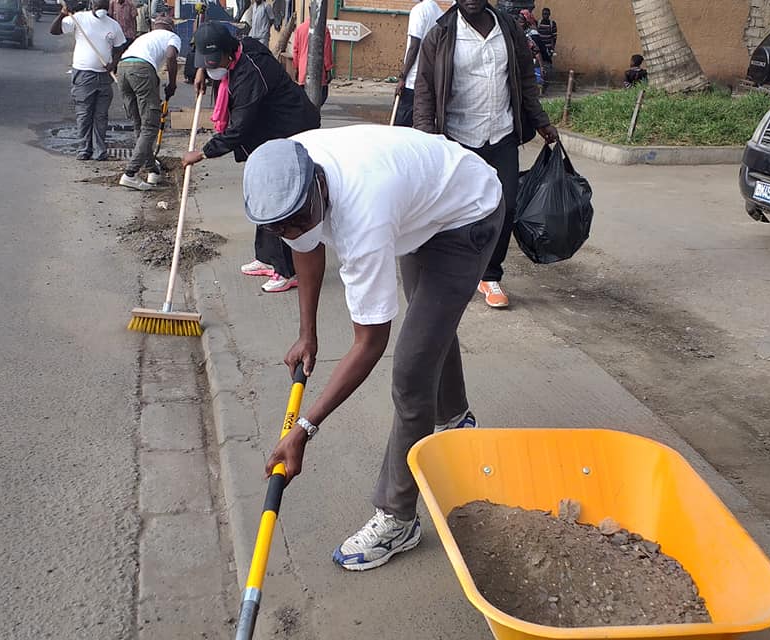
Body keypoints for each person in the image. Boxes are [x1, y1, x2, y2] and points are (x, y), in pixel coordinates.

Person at [245, 126, 503, 571]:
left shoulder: (364, 214)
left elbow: (370, 343)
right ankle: (457, 418)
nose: (294, 230)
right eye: (280, 227)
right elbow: (304, 246)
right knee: (430, 328)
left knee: (409, 372)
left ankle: (398, 518)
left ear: (319, 185)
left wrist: (304, 428)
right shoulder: (286, 179)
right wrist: (308, 333)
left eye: (300, 219)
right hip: (424, 205)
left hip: (469, 213)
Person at [413, 0, 557, 308]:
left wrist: (541, 121)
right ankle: (452, 269)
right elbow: (425, 87)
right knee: (458, 211)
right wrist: (427, 138)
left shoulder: (508, 28)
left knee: (506, 205)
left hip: (501, 133)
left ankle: (490, 275)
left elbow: (525, 80)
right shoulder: (440, 33)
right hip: (458, 138)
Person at [180, 22, 320, 293]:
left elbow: (238, 129)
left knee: (279, 196)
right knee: (259, 191)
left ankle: (287, 271)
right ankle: (267, 258)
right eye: (206, 63)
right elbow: (209, 60)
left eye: (214, 64)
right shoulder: (241, 50)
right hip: (266, 131)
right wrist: (202, 71)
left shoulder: (249, 76)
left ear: (230, 54)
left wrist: (202, 152)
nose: (211, 69)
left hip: (290, 129)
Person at [51, 1, 128, 161]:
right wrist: (62, 14)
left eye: (103, 6)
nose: (101, 9)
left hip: (104, 77)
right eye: (99, 5)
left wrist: (113, 64)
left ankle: (100, 151)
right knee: (84, 114)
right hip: (83, 75)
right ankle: (84, 149)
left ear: (108, 8)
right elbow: (54, 30)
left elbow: (120, 47)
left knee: (101, 116)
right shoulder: (79, 18)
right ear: (92, 5)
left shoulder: (113, 25)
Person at [117, 14, 181, 191]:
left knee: (139, 124)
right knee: (151, 125)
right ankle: (130, 173)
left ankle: (153, 170)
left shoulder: (144, 37)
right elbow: (170, 55)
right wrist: (173, 83)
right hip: (142, 69)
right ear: (170, 28)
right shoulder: (172, 37)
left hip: (123, 68)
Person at [393, 0, 444, 127]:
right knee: (422, 125)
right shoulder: (439, 12)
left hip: (413, 81)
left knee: (401, 127)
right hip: (429, 79)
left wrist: (402, 77)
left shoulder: (419, 10)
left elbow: (414, 45)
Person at [291, 17, 334, 106]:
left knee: (304, 102)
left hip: (303, 72)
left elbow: (295, 50)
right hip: (318, 73)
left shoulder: (300, 28)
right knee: (318, 100)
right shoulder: (323, 29)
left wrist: (296, 68)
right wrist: (328, 69)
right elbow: (326, 51)